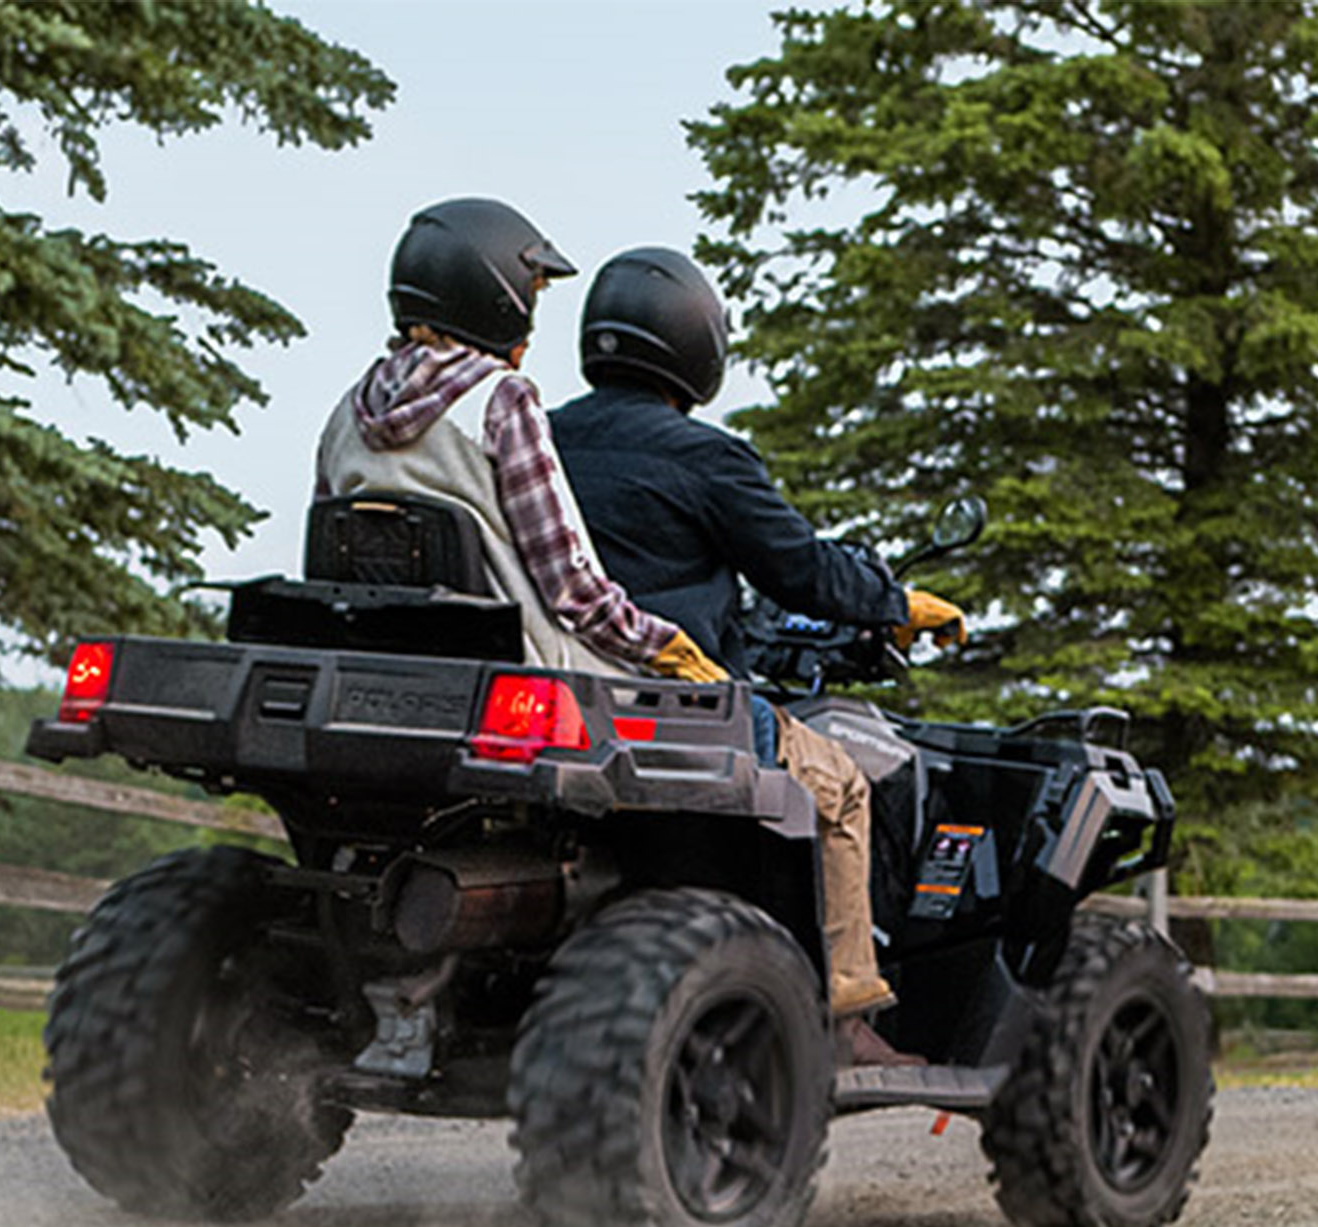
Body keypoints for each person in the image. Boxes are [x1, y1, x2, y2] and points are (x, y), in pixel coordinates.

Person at [550, 246, 968, 1066]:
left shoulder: (541, 437)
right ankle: (848, 1015)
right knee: (842, 785)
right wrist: (895, 603)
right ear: (696, 345)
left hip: (564, 693)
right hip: (675, 707)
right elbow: (802, 569)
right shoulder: (704, 455)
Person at [316, 197, 721, 684]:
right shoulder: (499, 401)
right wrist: (665, 646)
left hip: (385, 671)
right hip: (531, 675)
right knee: (752, 722)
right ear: (495, 294)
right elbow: (572, 589)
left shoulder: (346, 413)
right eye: (532, 292)